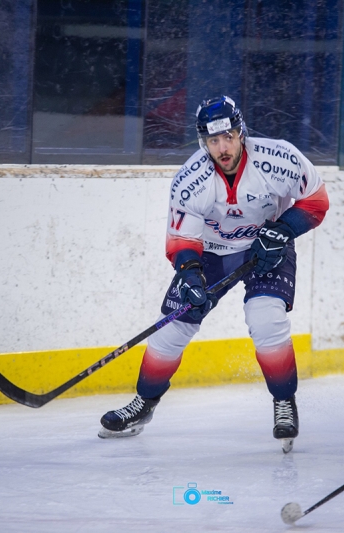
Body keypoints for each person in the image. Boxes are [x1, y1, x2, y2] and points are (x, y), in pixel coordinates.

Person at [98, 95, 329, 450]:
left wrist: (284, 230)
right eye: (212, 141)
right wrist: (190, 276)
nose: (221, 148)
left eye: (228, 137)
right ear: (202, 141)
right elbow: (181, 240)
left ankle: (284, 403)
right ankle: (144, 404)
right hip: (211, 253)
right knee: (172, 329)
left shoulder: (279, 158)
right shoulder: (191, 179)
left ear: (241, 132)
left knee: (266, 320)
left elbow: (316, 200)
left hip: (267, 248)